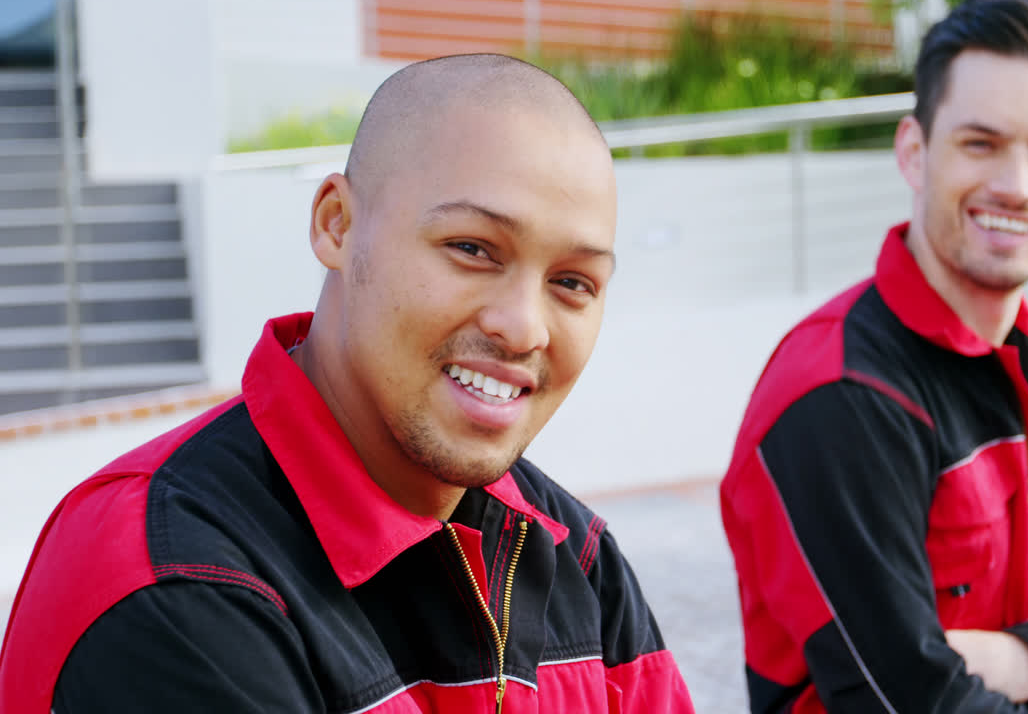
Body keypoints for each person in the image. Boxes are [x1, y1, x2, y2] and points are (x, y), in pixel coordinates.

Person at [0, 54, 694, 713]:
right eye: (472, 248)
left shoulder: (575, 552)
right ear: (337, 223)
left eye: (572, 283)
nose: (523, 328)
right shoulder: (174, 579)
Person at [719, 0, 1028, 712]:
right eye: (981, 142)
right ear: (914, 151)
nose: (1017, 185)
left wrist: (1027, 657)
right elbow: (909, 699)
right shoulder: (839, 394)